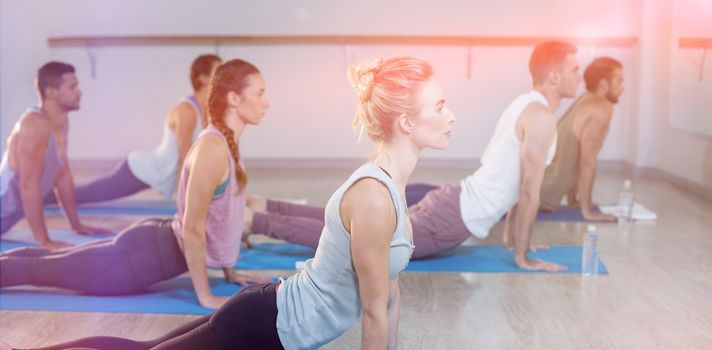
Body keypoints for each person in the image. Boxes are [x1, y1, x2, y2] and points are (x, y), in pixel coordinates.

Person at [16, 56, 456, 350]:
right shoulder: (374, 199)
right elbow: (375, 313)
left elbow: (390, 299)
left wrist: (226, 267)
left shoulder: (392, 189)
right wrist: (205, 290)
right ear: (404, 120)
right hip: (262, 324)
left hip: (268, 313)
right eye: (440, 105)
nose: (451, 115)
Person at [245, 41, 579, 272]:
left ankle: (265, 205)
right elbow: (528, 190)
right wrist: (522, 256)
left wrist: (512, 241)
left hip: (453, 200)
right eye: (575, 69)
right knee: (349, 239)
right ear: (554, 76)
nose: (581, 77)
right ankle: (254, 220)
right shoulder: (542, 118)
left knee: (349, 226)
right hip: (452, 217)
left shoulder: (524, 104)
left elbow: (512, 180)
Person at [1, 59, 271, 309]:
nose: (266, 102)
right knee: (38, 268)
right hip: (137, 260)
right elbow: (193, 229)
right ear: (234, 98)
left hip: (150, 245)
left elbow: (223, 215)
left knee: (45, 262)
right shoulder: (213, 148)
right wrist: (206, 296)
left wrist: (229, 271)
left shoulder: (225, 143)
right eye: (260, 93)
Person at [43, 54, 222, 204]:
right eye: (218, 71)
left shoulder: (207, 109)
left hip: (159, 171)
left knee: (87, 193)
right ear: (203, 78)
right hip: (144, 169)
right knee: (87, 195)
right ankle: (41, 197)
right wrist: (186, 196)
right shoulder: (187, 110)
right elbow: (185, 154)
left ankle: (46, 194)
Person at [0, 62, 111, 248]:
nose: (79, 92)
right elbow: (28, 186)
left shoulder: (60, 123)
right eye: (72, 87)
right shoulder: (34, 125)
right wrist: (44, 241)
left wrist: (76, 225)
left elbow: (63, 177)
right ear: (51, 92)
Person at [539, 57, 624, 221]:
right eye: (619, 81)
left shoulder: (585, 98)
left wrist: (573, 200)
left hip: (532, 185)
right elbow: (587, 161)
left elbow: (573, 153)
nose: (622, 87)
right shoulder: (602, 108)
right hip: (538, 193)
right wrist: (587, 212)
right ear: (604, 84)